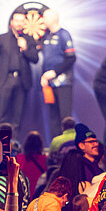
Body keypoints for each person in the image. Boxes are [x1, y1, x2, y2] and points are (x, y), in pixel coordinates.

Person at [0, 9, 39, 136]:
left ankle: (14, 143)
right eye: (16, 20)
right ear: (12, 22)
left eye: (21, 21)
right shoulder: (3, 38)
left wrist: (25, 48)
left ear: (25, 23)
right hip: (5, 80)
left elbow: (35, 59)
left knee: (17, 117)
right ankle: (1, 143)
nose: (19, 23)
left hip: (22, 81)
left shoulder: (29, 39)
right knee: (2, 115)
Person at [40, 9, 76, 138]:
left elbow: (71, 58)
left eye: (45, 18)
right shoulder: (46, 36)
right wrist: (44, 76)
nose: (43, 20)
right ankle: (55, 145)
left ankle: (68, 144)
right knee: (53, 117)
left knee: (65, 117)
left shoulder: (64, 34)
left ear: (52, 19)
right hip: (50, 85)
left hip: (63, 83)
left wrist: (54, 72)